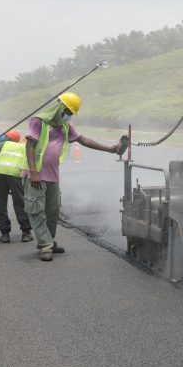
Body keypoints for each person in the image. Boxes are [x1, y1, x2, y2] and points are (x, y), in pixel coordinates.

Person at [23, 92, 122, 262]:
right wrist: (33, 172)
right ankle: (44, 246)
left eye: (71, 113)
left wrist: (111, 149)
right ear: (60, 107)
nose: (68, 115)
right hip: (36, 176)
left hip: (53, 176)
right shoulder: (38, 121)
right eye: (67, 111)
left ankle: (50, 241)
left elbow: (85, 140)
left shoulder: (65, 126)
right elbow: (30, 146)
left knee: (53, 212)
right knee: (37, 211)